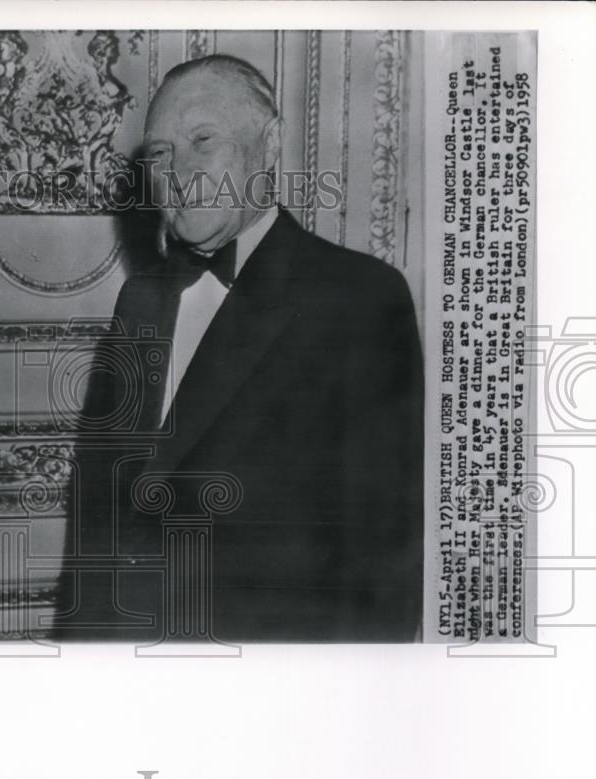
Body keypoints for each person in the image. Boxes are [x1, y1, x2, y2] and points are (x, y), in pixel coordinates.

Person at [55, 55, 424, 642]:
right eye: (159, 155)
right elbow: (97, 525)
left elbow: (381, 564)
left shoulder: (358, 299)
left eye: (203, 140)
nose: (179, 173)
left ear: (270, 144)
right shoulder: (139, 302)